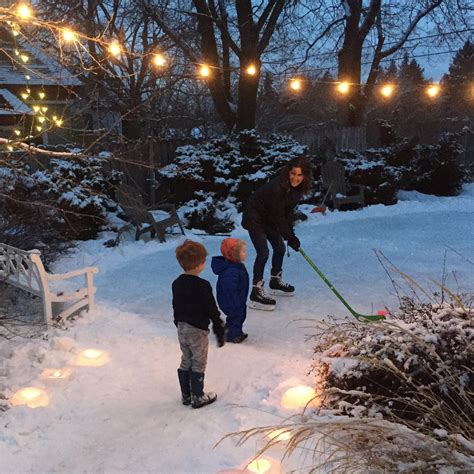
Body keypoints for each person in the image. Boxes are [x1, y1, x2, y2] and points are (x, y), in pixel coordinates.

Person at [241, 156, 312, 311]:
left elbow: (287, 214)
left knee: (279, 248)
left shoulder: (296, 190)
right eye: (293, 174)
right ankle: (256, 292)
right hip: (254, 216)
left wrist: (291, 235)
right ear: (288, 173)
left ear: (305, 176)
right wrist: (290, 237)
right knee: (263, 252)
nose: (296, 178)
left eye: (300, 175)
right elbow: (278, 215)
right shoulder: (278, 187)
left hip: (268, 217)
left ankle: (275, 280)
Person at [172, 240, 226, 409]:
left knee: (186, 359)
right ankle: (198, 396)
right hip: (197, 329)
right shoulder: (203, 285)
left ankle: (186, 395)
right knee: (199, 361)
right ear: (200, 264)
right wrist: (218, 327)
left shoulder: (177, 283)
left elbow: (176, 305)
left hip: (182, 328)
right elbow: (211, 308)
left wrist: (178, 323)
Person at [211, 238, 250, 344]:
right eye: (243, 251)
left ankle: (234, 331)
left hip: (237, 299)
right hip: (232, 300)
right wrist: (235, 302)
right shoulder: (231, 271)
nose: (245, 253)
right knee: (236, 316)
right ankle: (232, 336)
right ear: (234, 254)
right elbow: (229, 288)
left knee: (239, 316)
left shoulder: (236, 266)